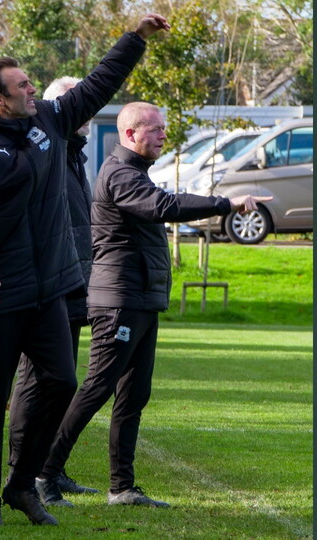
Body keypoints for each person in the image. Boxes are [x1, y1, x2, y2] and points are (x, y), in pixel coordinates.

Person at [0, 14, 170, 527]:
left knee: (62, 382)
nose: (31, 89)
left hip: (50, 293)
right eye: (21, 85)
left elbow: (99, 84)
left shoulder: (49, 123)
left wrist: (135, 39)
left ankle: (23, 484)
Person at [43, 102, 270, 508]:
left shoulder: (135, 172)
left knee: (134, 396)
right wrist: (225, 203)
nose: (164, 134)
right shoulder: (120, 173)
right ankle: (44, 474)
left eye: (164, 127)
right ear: (131, 133)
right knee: (97, 388)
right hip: (119, 301)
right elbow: (164, 206)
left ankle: (122, 487)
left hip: (141, 300)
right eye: (156, 128)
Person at [8, 76, 98, 505]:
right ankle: (21, 474)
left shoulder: (73, 154)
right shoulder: (44, 151)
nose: (87, 115)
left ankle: (49, 471)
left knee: (61, 379)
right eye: (78, 106)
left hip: (73, 281)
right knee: (36, 379)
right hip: (47, 284)